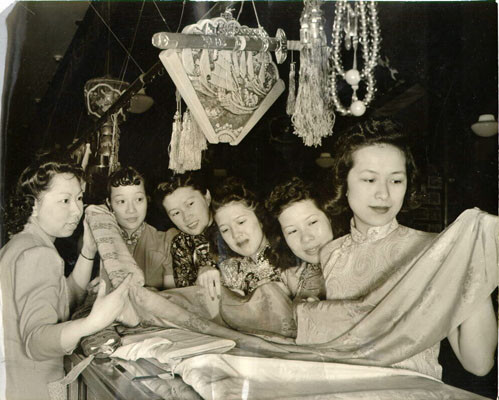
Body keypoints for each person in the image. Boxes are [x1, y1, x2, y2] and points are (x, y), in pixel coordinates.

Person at [298, 119, 497, 379]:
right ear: (344, 184)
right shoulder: (330, 254)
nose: (383, 194)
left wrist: (473, 258)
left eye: (396, 181)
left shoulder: (434, 250)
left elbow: (478, 363)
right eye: (369, 179)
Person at [0, 156, 131, 400]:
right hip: (32, 390)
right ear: (34, 205)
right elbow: (36, 342)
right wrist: (93, 322)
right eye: (65, 200)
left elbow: (60, 302)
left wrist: (88, 251)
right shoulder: (38, 254)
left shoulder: (21, 245)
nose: (77, 210)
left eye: (79, 198)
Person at [210, 177, 285, 297]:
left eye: (241, 222)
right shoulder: (228, 271)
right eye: (225, 229)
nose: (235, 234)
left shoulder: (289, 261)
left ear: (260, 218)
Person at [106, 166, 178, 289]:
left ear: (147, 199)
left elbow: (171, 297)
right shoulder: (100, 240)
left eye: (138, 199)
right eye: (122, 201)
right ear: (109, 204)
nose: (131, 210)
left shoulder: (165, 242)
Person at [266, 177, 334, 301]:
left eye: (312, 222)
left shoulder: (362, 262)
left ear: (329, 217)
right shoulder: (291, 279)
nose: (306, 238)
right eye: (292, 231)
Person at [155, 171, 218, 290]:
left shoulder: (230, 226)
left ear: (207, 197)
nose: (186, 217)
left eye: (190, 204)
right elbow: (186, 295)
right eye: (176, 213)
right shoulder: (181, 244)